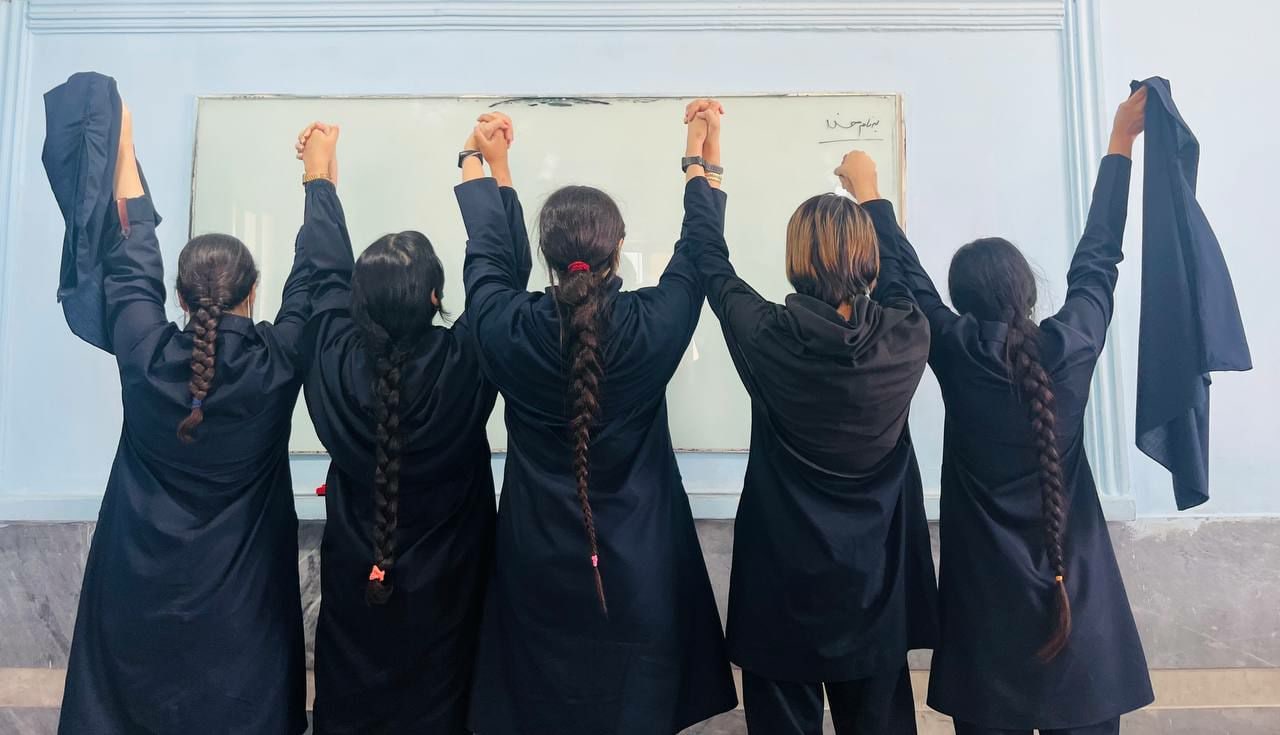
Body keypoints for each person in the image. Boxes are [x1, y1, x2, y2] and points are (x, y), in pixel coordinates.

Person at [872, 90, 1154, 735]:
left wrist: (871, 199)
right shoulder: (1071, 345)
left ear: (961, 303)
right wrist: (1120, 143)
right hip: (1080, 617)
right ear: (1027, 292)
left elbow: (903, 281)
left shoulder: (956, 348)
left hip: (986, 629)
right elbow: (1099, 259)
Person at [454, 110, 738, 734]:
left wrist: (487, 165)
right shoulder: (653, 324)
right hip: (641, 564)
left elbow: (488, 258)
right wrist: (700, 161)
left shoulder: (506, 328)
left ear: (547, 254)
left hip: (536, 562)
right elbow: (697, 252)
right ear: (619, 246)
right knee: (637, 702)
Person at [683, 98, 936, 734]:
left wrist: (701, 164)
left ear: (795, 260)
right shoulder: (907, 335)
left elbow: (709, 261)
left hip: (781, 591)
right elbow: (904, 277)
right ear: (869, 260)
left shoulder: (767, 333)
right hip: (875, 592)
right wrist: (871, 194)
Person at [57, 100, 309, 734]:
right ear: (254, 292)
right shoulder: (275, 364)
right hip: (243, 613)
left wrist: (121, 153)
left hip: (137, 600)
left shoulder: (144, 353)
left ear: (178, 296)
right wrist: (320, 179)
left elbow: (130, 259)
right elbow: (317, 280)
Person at [293, 122, 499, 733]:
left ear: (357, 302)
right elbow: (498, 276)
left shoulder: (332, 359)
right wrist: (477, 165)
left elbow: (322, 274)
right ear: (436, 297)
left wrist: (319, 179)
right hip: (451, 593)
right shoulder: (467, 361)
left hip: (357, 586)